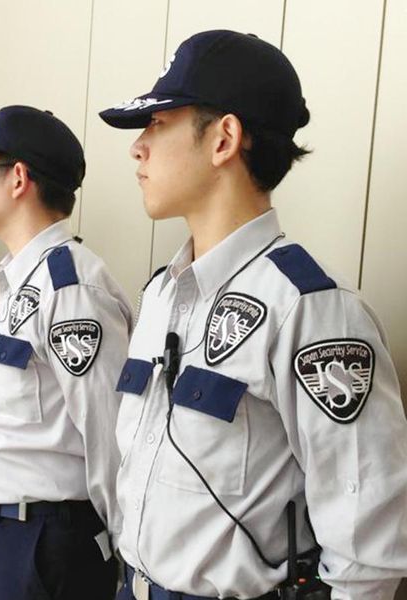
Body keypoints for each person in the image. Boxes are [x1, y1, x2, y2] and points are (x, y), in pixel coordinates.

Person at [99, 29, 407, 600]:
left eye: (158, 123)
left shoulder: (309, 308)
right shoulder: (161, 294)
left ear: (224, 139)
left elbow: (368, 545)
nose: (137, 147)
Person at [0, 105, 132, 600]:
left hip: (41, 543)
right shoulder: (23, 280)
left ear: (18, 178)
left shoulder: (71, 287)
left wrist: (123, 553)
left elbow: (108, 431)